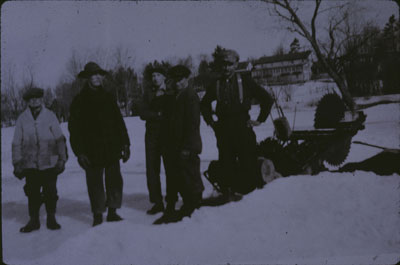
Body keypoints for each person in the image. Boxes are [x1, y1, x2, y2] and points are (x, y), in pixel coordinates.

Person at [200, 49, 274, 198]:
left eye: (229, 64)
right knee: (226, 163)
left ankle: (249, 197)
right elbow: (204, 104)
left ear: (235, 64)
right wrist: (211, 122)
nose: (226, 68)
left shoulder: (245, 81)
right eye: (223, 65)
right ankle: (229, 195)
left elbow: (267, 99)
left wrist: (259, 120)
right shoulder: (216, 84)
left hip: (243, 129)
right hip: (224, 130)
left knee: (248, 163)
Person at [68, 62, 131, 227]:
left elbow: (119, 122)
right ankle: (97, 214)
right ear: (87, 78)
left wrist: (125, 143)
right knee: (94, 182)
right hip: (91, 151)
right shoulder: (79, 100)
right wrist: (80, 152)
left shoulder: (109, 96)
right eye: (92, 75)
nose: (96, 78)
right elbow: (74, 130)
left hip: (112, 147)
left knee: (114, 180)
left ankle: (112, 211)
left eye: (98, 75)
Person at [12, 87, 68, 233]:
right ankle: (34, 220)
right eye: (31, 99)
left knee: (50, 191)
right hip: (30, 162)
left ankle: (51, 217)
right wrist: (17, 162)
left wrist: (62, 158)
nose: (34, 101)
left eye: (37, 98)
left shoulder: (50, 115)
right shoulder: (22, 119)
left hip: (49, 160)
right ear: (27, 101)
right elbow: (17, 142)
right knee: (32, 192)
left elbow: (59, 139)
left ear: (42, 99)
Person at [155, 65, 204, 224]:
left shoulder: (190, 95)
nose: (177, 83)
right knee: (180, 176)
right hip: (176, 145)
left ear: (187, 79)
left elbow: (193, 124)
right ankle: (186, 205)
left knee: (191, 174)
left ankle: (194, 205)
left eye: (180, 79)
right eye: (175, 80)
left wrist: (188, 147)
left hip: (188, 145)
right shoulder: (176, 95)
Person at [139, 67, 170, 215]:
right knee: (152, 169)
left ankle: (172, 198)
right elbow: (142, 113)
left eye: (158, 75)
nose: (155, 78)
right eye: (153, 76)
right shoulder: (148, 93)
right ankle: (157, 202)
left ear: (164, 77)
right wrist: (157, 114)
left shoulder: (171, 91)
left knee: (171, 167)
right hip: (151, 135)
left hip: (168, 134)